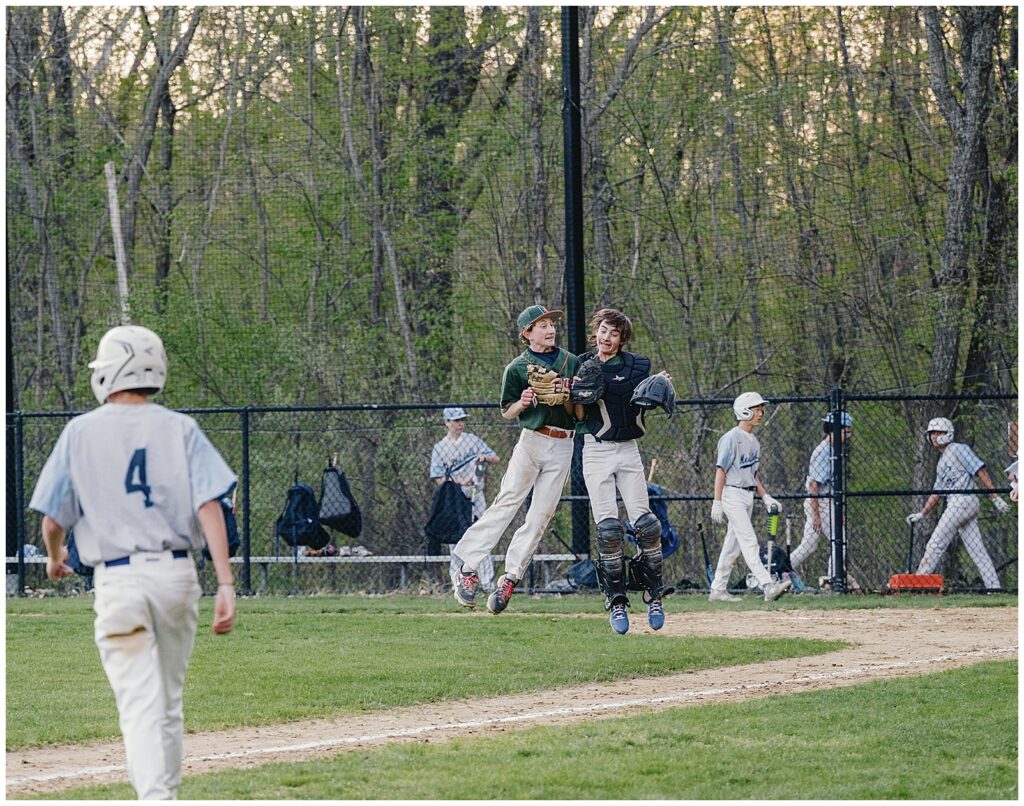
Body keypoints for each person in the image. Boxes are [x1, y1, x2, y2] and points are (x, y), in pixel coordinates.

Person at [28, 325, 237, 800]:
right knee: (166, 700)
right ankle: (164, 794)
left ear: (110, 371)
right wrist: (225, 583)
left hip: (118, 579)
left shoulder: (79, 430)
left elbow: (53, 520)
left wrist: (56, 557)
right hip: (176, 575)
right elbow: (210, 506)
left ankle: (157, 799)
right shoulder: (179, 426)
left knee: (139, 702)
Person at [452, 305, 579, 614]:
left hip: (564, 443)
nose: (550, 329)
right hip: (532, 440)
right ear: (527, 334)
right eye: (542, 325)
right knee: (508, 501)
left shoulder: (571, 362)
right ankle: (467, 566)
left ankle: (509, 578)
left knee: (540, 516)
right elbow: (507, 411)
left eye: (551, 324)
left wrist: (573, 394)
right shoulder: (518, 368)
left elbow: (579, 414)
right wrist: (522, 403)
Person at [575, 308, 671, 634]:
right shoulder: (583, 365)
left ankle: (653, 593)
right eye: (603, 330)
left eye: (614, 333)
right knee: (609, 531)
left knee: (646, 524)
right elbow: (576, 412)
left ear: (621, 339)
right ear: (596, 331)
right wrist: (567, 392)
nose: (607, 337)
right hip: (596, 449)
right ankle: (616, 602)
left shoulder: (638, 366)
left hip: (628, 449)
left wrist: (659, 382)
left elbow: (646, 391)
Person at [906, 417, 1012, 591]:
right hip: (958, 503)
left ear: (948, 434)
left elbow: (980, 471)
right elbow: (937, 492)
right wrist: (923, 513)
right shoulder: (941, 462)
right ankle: (994, 588)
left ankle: (916, 585)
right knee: (978, 551)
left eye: (938, 432)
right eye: (932, 433)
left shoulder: (959, 449)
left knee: (936, 543)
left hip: (963, 500)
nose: (934, 436)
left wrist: (995, 497)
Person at [708, 392, 791, 603]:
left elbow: (753, 475)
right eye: (756, 409)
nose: (760, 413)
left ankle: (718, 588)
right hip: (732, 493)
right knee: (749, 540)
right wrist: (717, 501)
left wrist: (765, 497)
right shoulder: (731, 438)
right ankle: (768, 585)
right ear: (744, 410)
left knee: (733, 545)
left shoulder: (754, 441)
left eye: (761, 409)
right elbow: (721, 471)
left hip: (747, 495)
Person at [429, 406, 500, 589]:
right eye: (456, 420)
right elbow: (438, 478)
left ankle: (486, 581)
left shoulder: (472, 440)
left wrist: (484, 457)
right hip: (454, 497)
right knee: (457, 536)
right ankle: (458, 581)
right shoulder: (440, 447)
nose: (460, 424)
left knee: (481, 534)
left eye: (462, 420)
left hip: (476, 493)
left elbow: (495, 457)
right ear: (447, 423)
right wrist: (460, 481)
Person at [789, 411, 852, 578]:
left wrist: (839, 511)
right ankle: (833, 579)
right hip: (820, 502)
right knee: (840, 542)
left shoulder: (834, 450)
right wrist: (816, 514)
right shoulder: (824, 452)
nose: (848, 435)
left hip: (827, 501)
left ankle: (779, 570)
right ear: (835, 430)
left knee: (809, 545)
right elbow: (813, 486)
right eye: (846, 431)